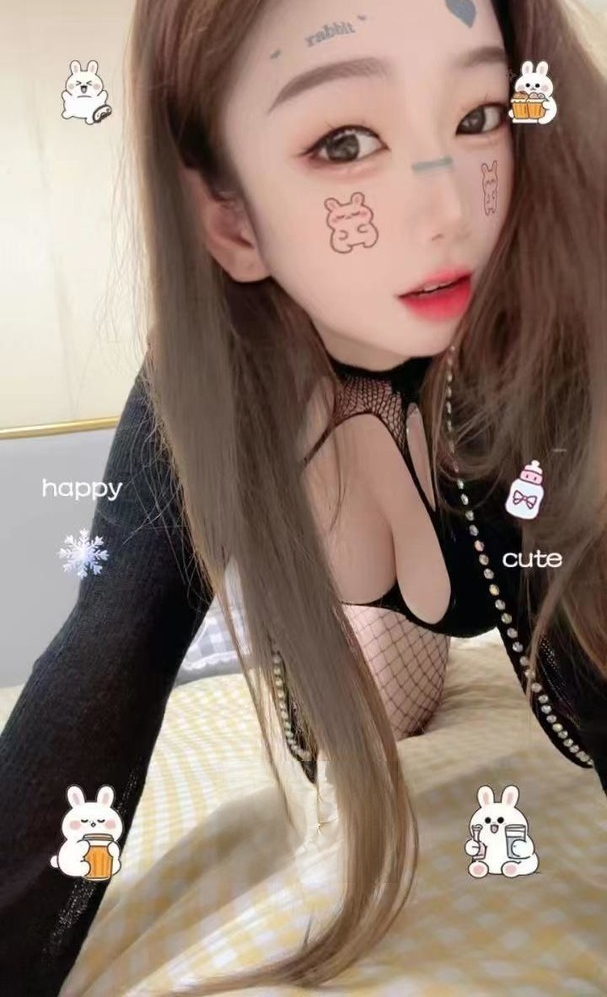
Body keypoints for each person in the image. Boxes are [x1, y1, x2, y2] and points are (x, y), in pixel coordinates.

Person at [1, 0, 607, 993]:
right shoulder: (204, 390)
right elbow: (104, 657)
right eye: (344, 142)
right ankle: (327, 626)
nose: (448, 213)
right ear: (229, 218)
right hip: (360, 592)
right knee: (376, 711)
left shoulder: (557, 335)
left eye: (479, 115)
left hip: (483, 543)